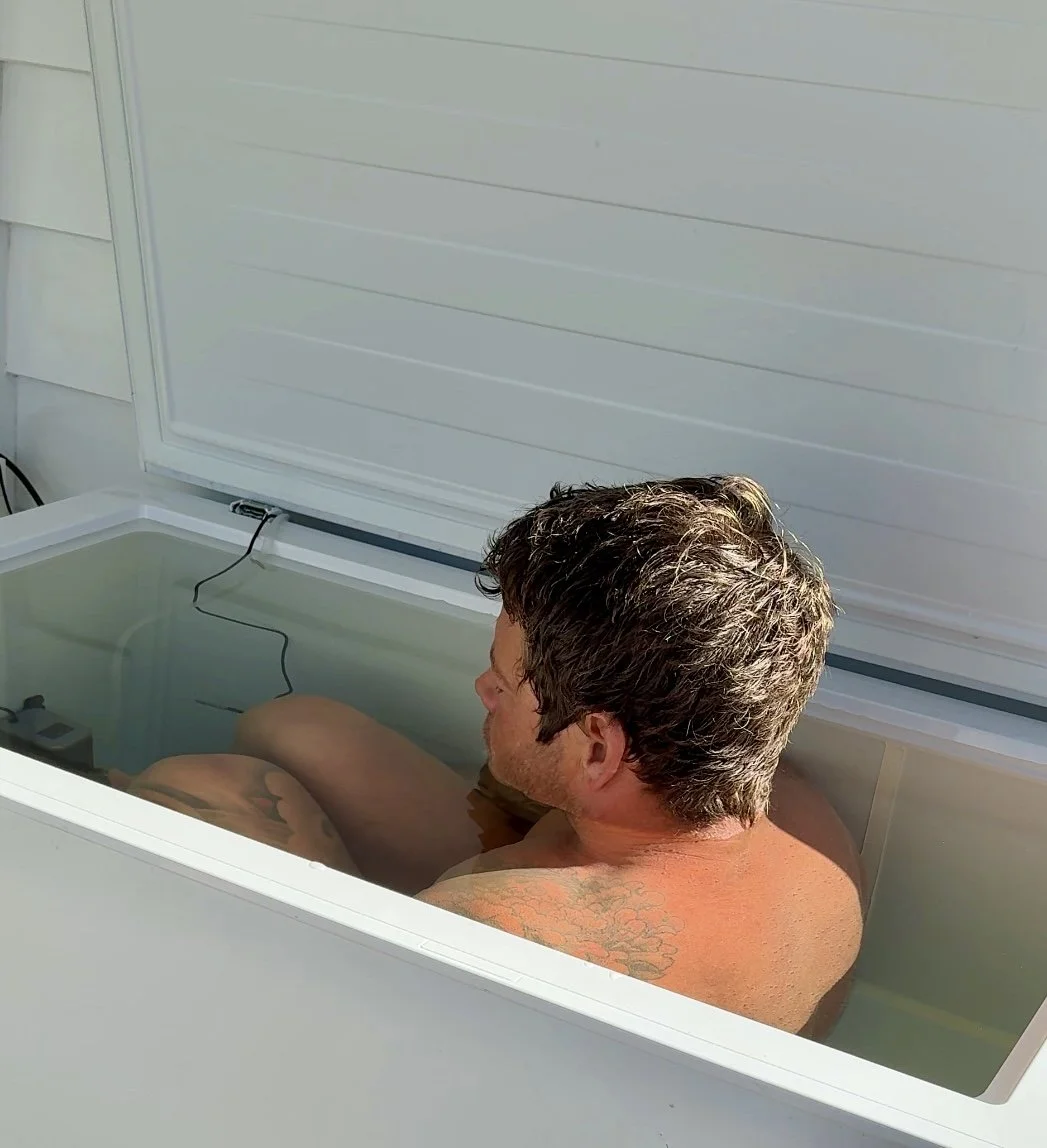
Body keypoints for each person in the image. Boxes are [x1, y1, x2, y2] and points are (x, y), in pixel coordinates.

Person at [117, 477, 863, 1037]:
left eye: (505, 682)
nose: (483, 689)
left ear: (599, 745)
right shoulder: (806, 833)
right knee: (296, 730)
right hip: (585, 894)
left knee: (191, 790)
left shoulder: (491, 933)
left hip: (486, 1011)